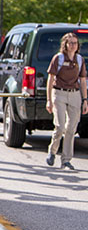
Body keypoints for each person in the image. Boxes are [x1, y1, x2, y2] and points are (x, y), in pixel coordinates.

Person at [45, 32, 87, 170]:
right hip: (59, 93)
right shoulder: (58, 58)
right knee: (60, 126)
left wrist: (85, 100)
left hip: (74, 94)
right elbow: (50, 79)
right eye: (71, 43)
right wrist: (49, 100)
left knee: (71, 128)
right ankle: (52, 151)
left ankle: (66, 159)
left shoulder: (79, 59)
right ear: (65, 44)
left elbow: (82, 81)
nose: (73, 45)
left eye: (75, 43)